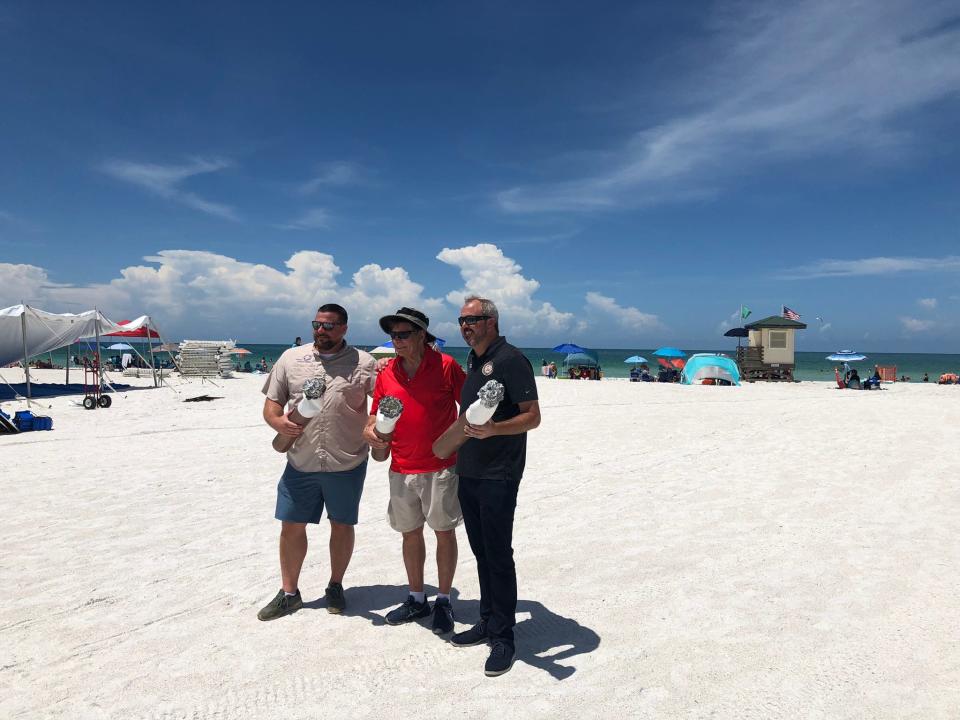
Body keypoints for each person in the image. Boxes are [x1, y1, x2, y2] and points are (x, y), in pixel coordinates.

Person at [257, 303, 378, 621]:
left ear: (344, 328)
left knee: (342, 525)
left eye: (329, 326)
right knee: (291, 526)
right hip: (301, 460)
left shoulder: (364, 363)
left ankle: (336, 586)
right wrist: (278, 423)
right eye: (316, 325)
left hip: (347, 461)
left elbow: (382, 403)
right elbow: (271, 406)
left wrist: (376, 426)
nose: (320, 331)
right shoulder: (290, 359)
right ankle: (288, 593)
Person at [448, 296, 540, 677]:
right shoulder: (473, 361)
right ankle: (488, 621)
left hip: (499, 473)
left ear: (492, 321)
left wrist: (494, 430)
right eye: (461, 320)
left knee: (499, 554)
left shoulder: (511, 360)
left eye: (472, 319)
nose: (465, 326)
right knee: (482, 552)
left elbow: (532, 417)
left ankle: (504, 637)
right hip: (468, 470)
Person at [363, 307, 466, 634]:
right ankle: (417, 597)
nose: (397, 341)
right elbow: (374, 416)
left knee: (443, 532)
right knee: (409, 533)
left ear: (423, 335)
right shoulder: (386, 372)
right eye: (393, 335)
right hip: (401, 467)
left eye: (404, 334)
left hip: (441, 468)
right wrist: (370, 431)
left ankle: (445, 600)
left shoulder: (446, 366)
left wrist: (454, 444)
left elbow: (471, 411)